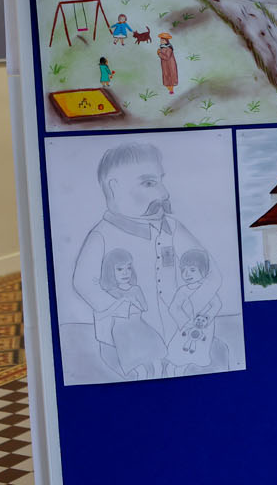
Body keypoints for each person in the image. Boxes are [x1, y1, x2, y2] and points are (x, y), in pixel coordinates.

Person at [70, 142, 223, 381]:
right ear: (114, 188)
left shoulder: (172, 227)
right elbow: (83, 282)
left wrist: (191, 309)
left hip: (177, 335)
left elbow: (211, 272)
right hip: (126, 344)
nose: (164, 194)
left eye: (161, 181)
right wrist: (121, 308)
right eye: (149, 183)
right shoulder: (102, 235)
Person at [97, 248, 162, 379]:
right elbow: (104, 313)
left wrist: (133, 302)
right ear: (110, 272)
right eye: (120, 269)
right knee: (139, 369)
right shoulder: (110, 292)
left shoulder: (135, 289)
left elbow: (144, 307)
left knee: (156, 363)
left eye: (129, 268)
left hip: (140, 328)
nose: (125, 272)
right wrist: (121, 302)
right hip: (123, 333)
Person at [164, 249, 222, 376]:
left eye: (192, 270)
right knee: (179, 350)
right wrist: (185, 322)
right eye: (183, 270)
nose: (186, 274)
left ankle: (187, 368)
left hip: (204, 326)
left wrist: (207, 319)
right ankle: (173, 369)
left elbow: (216, 305)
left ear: (204, 271)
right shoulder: (182, 290)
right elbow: (174, 308)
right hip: (185, 326)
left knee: (198, 349)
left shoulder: (207, 289)